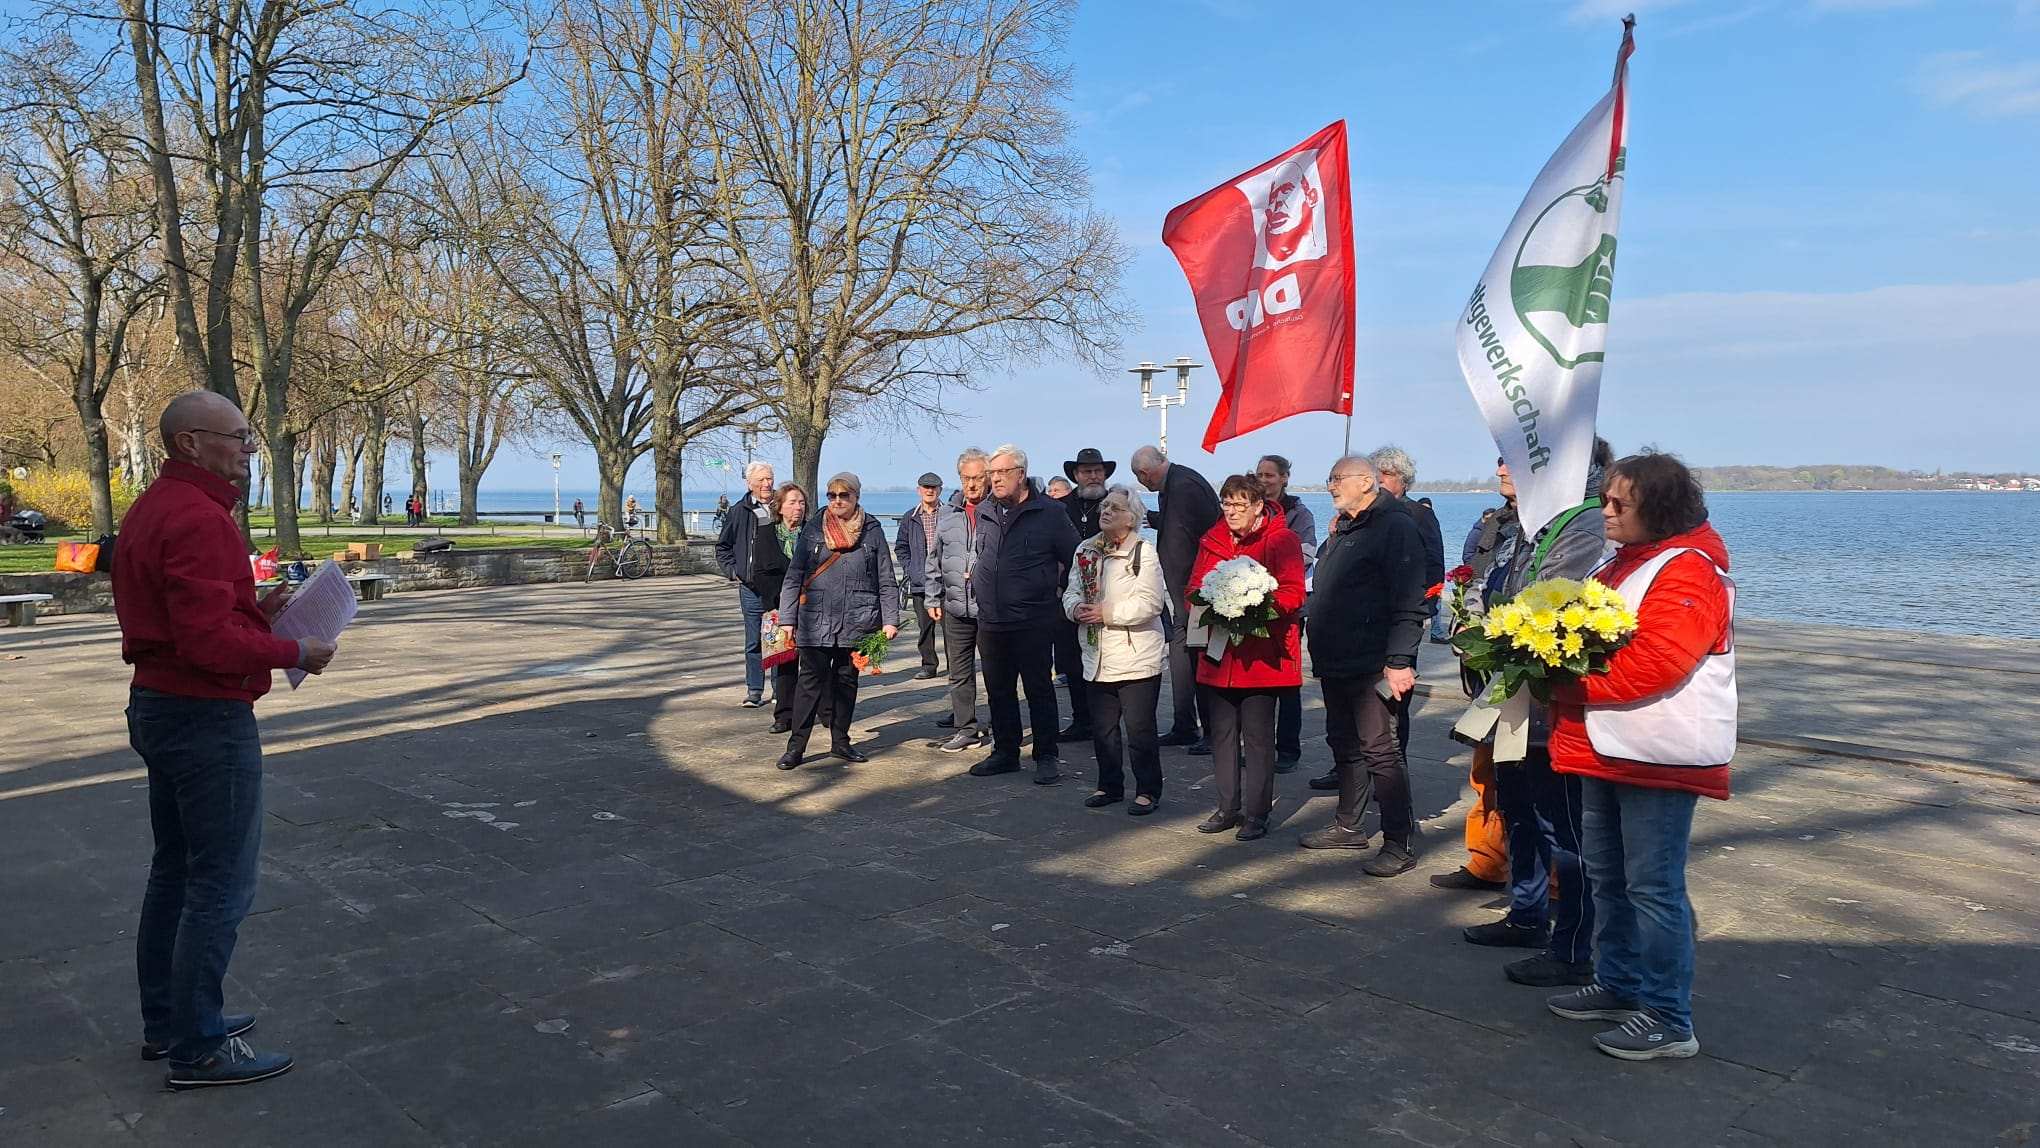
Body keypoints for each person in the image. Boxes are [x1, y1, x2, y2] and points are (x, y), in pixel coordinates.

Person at [114, 390, 338, 1089]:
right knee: (219, 885)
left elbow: (197, 615)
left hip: (160, 705)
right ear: (190, 442)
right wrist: (296, 652)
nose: (248, 448)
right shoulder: (198, 518)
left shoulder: (159, 507)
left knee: (175, 871)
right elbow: (206, 642)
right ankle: (199, 1048)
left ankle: (169, 1023)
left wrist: (256, 608)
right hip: (203, 717)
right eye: (237, 436)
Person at [1544, 451, 1735, 1063]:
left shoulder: (1688, 571)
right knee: (1608, 875)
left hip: (1657, 752)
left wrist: (1558, 679)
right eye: (1605, 499)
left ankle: (1668, 1016)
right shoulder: (1627, 563)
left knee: (1652, 885)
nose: (1606, 512)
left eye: (1618, 504)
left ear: (1658, 509)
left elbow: (1655, 665)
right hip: (1611, 745)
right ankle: (1620, 982)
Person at [1465, 441, 1614, 990]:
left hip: (1548, 701)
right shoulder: (1526, 523)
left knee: (1563, 825)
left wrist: (1498, 625)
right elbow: (1492, 584)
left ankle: (1572, 944)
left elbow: (1547, 599)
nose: (1504, 468)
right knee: (1519, 809)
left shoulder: (1583, 523)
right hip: (1511, 693)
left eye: (1516, 458)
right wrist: (1472, 619)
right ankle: (1526, 915)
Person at [1296, 456, 1427, 877]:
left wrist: (1400, 660)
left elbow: (1410, 598)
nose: (1330, 485)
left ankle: (1398, 840)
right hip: (1337, 659)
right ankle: (1348, 824)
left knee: (1380, 751)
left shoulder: (1395, 526)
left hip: (1373, 662)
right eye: (1329, 478)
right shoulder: (1345, 528)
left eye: (1338, 478)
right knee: (1344, 744)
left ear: (1366, 482)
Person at [1187, 475, 1306, 841]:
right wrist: (1212, 600)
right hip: (1219, 653)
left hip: (1261, 657)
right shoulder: (1213, 539)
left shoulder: (1281, 539)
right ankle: (1227, 807)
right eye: (1227, 504)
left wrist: (1255, 606)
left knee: (1257, 738)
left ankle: (1257, 812)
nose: (1232, 511)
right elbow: (1193, 586)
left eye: (1240, 504)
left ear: (1258, 506)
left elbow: (1294, 593)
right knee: (1221, 734)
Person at [970, 444, 1078, 785]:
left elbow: (1075, 557)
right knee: (998, 690)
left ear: (1021, 473)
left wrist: (1054, 590)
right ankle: (1005, 751)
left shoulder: (1049, 512)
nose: (995, 479)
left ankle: (1046, 755)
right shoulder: (986, 509)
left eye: (1002, 473)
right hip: (990, 617)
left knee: (1038, 689)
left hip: (1033, 618)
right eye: (992, 474)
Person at [1428, 501, 1521, 894]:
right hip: (1490, 662)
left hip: (1526, 661)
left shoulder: (1563, 522)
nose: (1503, 466)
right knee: (1485, 765)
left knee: (1525, 775)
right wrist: (1470, 621)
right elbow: (1479, 574)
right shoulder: (1497, 522)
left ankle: (1551, 884)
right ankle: (1487, 859)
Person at [776, 472, 899, 768]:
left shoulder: (872, 531)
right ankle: (796, 747)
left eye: (844, 496)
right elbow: (794, 577)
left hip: (859, 619)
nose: (837, 501)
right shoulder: (814, 530)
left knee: (846, 683)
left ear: (856, 497)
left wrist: (890, 620)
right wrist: (787, 618)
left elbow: (886, 578)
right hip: (815, 621)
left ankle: (840, 742)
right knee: (809, 684)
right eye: (832, 496)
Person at [1064, 485, 1168, 815]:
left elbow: (1150, 603)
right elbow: (1070, 591)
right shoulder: (1085, 549)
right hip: (1096, 655)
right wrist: (1076, 608)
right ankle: (1109, 784)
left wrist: (1107, 613)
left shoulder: (1144, 553)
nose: (1106, 511)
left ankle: (1148, 790)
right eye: (1105, 505)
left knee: (1139, 730)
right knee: (1103, 729)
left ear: (1132, 518)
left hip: (1136, 656)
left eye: (1116, 508)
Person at [1130, 444, 1221, 753]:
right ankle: (1185, 725)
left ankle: (1212, 732)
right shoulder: (1177, 484)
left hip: (1197, 595)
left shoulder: (1182, 486)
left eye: (1141, 479)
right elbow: (1180, 527)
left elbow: (1191, 539)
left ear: (1144, 473)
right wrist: (1154, 519)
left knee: (1203, 662)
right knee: (1183, 658)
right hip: (1186, 594)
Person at [749, 482, 826, 736]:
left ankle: (824, 711)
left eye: (802, 502)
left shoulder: (814, 534)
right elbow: (760, 572)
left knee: (816, 663)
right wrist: (780, 602)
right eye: (792, 502)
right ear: (779, 507)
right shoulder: (766, 534)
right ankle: (784, 715)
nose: (798, 508)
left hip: (813, 607)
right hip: (779, 609)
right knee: (785, 665)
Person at [927, 449, 990, 751]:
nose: (972, 484)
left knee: (995, 672)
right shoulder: (949, 518)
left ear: (988, 478)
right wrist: (932, 598)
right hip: (954, 606)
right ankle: (966, 728)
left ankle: (1002, 726)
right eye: (967, 478)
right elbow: (933, 561)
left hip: (989, 608)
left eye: (978, 478)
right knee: (959, 672)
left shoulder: (997, 513)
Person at [1256, 454, 1316, 770]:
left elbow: (1305, 554)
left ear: (1284, 478)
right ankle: (1258, 746)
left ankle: (1288, 749)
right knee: (1256, 679)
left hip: (1288, 607)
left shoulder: (1300, 514)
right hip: (1249, 608)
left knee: (1287, 680)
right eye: (1259, 474)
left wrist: (1263, 577)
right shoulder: (1252, 510)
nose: (1264, 480)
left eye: (1270, 475)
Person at [1052, 448, 1115, 741]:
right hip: (1069, 594)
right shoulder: (1059, 507)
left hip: (1110, 594)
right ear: (1075, 475)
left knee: (1106, 660)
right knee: (1071, 660)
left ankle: (1107, 720)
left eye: (1098, 471)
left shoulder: (1116, 504)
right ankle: (1081, 720)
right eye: (1087, 471)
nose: (1093, 476)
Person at [714, 462, 777, 707]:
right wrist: (733, 572)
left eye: (770, 479)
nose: (767, 484)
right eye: (761, 480)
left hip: (778, 587)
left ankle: (780, 690)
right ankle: (754, 689)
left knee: (778, 640)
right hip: (750, 587)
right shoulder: (739, 511)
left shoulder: (779, 508)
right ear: (749, 483)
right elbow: (723, 546)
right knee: (754, 641)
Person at [894, 472, 946, 681]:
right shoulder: (910, 517)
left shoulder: (950, 514)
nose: (929, 490)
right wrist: (911, 569)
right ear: (919, 490)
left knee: (952, 630)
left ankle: (956, 666)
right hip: (920, 583)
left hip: (946, 582)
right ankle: (929, 665)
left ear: (940, 490)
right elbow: (901, 547)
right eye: (925, 487)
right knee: (924, 628)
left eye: (933, 487)